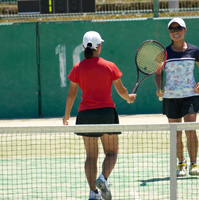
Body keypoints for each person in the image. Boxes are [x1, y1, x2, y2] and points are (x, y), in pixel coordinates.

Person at [63, 31, 136, 200]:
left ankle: (92, 193)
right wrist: (129, 98)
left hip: (85, 115)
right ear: (100, 46)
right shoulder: (109, 66)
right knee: (111, 153)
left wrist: (67, 115)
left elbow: (71, 95)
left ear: (83, 48)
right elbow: (122, 91)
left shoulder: (77, 68)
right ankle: (103, 178)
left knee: (91, 156)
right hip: (106, 114)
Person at [155, 18, 199, 177]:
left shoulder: (194, 50)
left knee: (190, 131)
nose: (175, 31)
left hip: (190, 96)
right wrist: (159, 88)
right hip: (171, 98)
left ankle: (194, 163)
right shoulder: (164, 53)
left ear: (185, 30)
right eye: (172, 29)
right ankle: (181, 163)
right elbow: (157, 74)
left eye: (178, 28)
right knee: (176, 133)